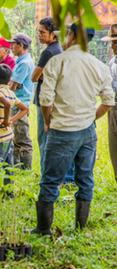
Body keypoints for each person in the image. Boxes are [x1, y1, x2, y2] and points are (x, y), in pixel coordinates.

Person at [31, 23, 114, 235]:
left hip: (62, 130)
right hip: (88, 132)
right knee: (85, 179)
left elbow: (45, 98)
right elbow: (107, 101)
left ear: (71, 35)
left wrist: (48, 121)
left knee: (50, 180)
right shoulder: (100, 66)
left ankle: (43, 228)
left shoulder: (57, 61)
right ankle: (80, 227)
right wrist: (91, 117)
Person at [0, 64, 29, 196]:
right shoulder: (11, 92)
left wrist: (6, 120)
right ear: (10, 79)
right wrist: (12, 120)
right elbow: (25, 109)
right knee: (8, 165)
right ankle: (9, 193)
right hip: (8, 135)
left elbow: (7, 104)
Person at [31, 17, 63, 173]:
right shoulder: (60, 49)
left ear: (53, 34)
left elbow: (33, 77)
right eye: (38, 32)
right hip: (57, 99)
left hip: (44, 100)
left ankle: (45, 174)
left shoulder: (48, 51)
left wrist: (42, 74)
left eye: (43, 32)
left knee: (44, 139)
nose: (39, 35)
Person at [8, 33, 35, 169]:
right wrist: (12, 83)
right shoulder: (21, 62)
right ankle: (18, 169)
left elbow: (12, 86)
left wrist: (12, 83)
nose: (11, 46)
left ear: (21, 45)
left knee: (22, 139)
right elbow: (12, 83)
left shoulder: (24, 63)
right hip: (16, 104)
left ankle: (26, 169)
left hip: (20, 105)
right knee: (16, 139)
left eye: (13, 44)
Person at [101, 23, 117, 183]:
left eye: (116, 43)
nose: (113, 46)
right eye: (112, 43)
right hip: (113, 107)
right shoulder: (112, 63)